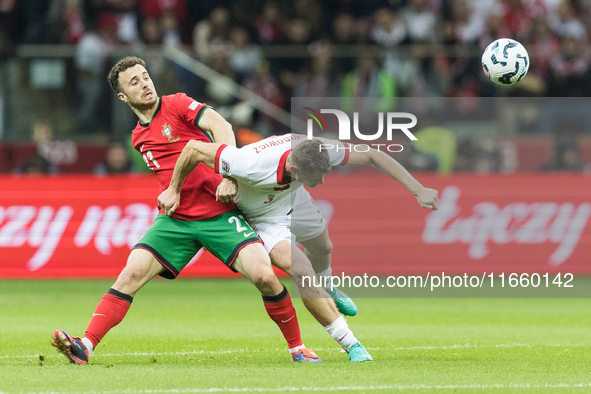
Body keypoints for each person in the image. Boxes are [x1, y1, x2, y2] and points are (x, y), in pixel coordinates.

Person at [51, 56, 322, 365]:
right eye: (135, 82)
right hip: (176, 220)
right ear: (123, 97)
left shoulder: (178, 104)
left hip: (219, 213)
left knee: (264, 276)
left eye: (145, 76)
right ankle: (85, 345)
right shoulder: (138, 138)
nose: (145, 84)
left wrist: (230, 176)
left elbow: (220, 124)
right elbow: (169, 175)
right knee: (131, 273)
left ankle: (297, 348)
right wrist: (171, 195)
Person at [158, 134, 440, 362]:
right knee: (302, 270)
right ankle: (351, 343)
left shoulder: (317, 150)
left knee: (324, 247)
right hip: (261, 217)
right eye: (317, 177)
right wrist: (174, 188)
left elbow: (372, 155)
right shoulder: (250, 163)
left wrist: (418, 190)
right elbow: (194, 148)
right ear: (294, 169)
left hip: (293, 199)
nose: (322, 182)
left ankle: (327, 287)